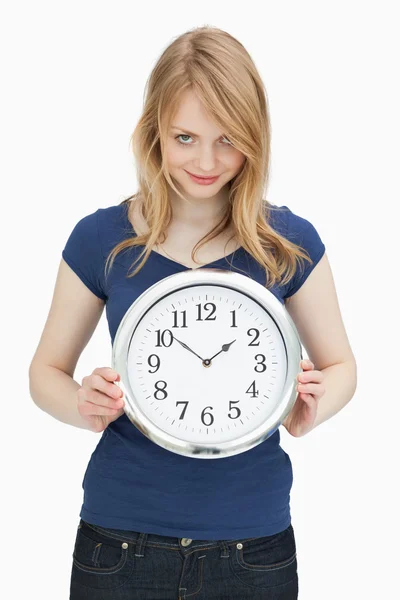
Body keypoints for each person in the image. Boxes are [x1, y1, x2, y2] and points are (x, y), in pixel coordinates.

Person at [29, 25, 357, 600]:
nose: (206, 161)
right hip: (120, 545)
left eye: (228, 138)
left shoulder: (289, 243)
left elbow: (343, 368)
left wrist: (312, 403)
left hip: (253, 548)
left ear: (254, 137)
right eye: (184, 137)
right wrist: (81, 402)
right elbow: (44, 373)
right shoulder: (100, 238)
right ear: (152, 131)